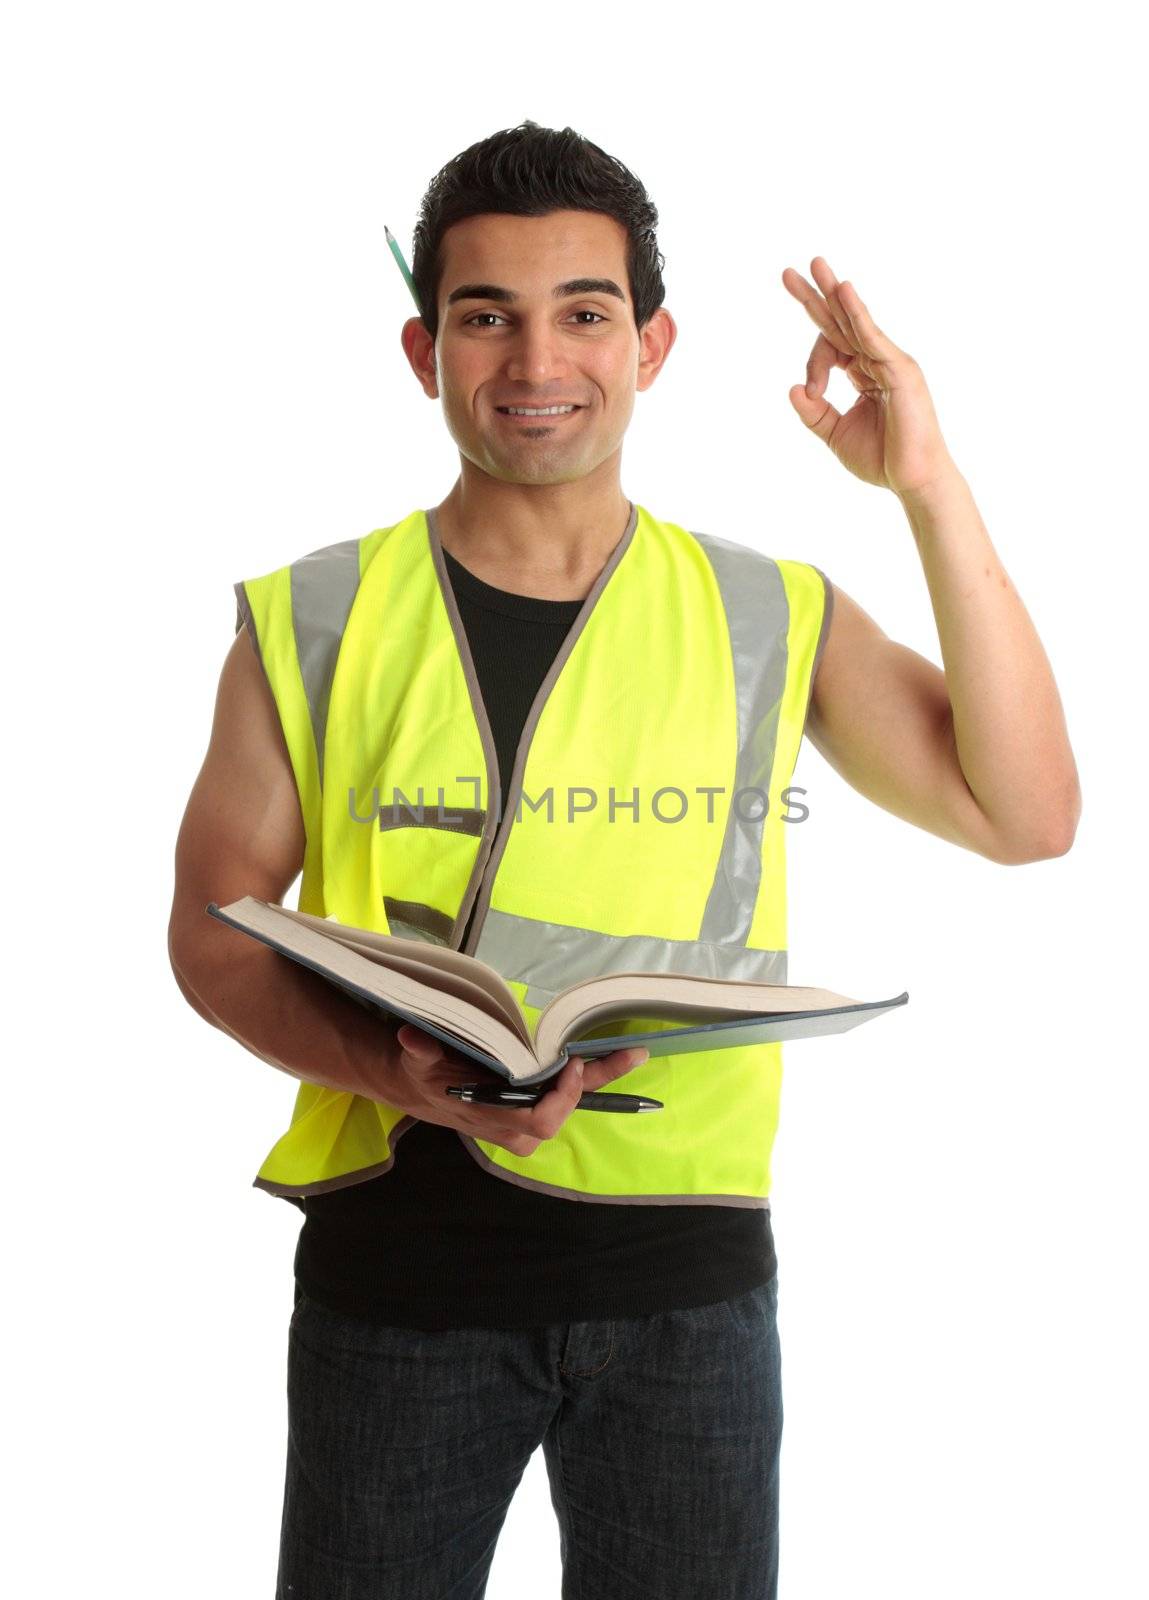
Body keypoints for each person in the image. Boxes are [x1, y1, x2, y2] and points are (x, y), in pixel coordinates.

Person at [167, 120, 1080, 1600]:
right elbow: (213, 937)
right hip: (398, 1290)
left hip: (688, 1300)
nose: (537, 364)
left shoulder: (769, 609)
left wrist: (925, 482)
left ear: (652, 345)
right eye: (487, 317)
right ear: (424, 349)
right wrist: (386, 1068)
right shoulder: (310, 617)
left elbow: (1027, 817)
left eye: (583, 312)